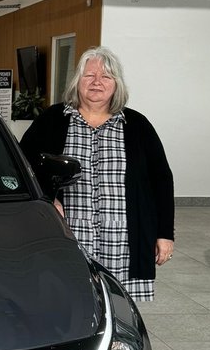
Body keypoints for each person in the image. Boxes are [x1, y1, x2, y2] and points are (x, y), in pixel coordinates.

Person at [19, 46, 174, 302]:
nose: (97, 83)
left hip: (123, 238)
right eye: (89, 76)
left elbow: (162, 180)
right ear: (77, 81)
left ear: (117, 84)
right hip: (67, 233)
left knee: (119, 305)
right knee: (67, 298)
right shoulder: (52, 120)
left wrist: (164, 234)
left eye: (106, 77)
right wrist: (48, 198)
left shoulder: (137, 126)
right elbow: (23, 165)